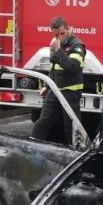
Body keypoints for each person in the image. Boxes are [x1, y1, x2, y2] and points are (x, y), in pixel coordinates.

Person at [31, 17, 86, 145]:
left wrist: (58, 50)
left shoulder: (77, 45)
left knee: (71, 126)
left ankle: (76, 151)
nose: (59, 37)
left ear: (69, 29)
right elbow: (54, 68)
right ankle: (31, 145)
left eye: (62, 33)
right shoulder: (56, 44)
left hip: (70, 93)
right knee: (44, 120)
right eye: (56, 35)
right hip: (55, 90)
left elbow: (73, 67)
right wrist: (47, 85)